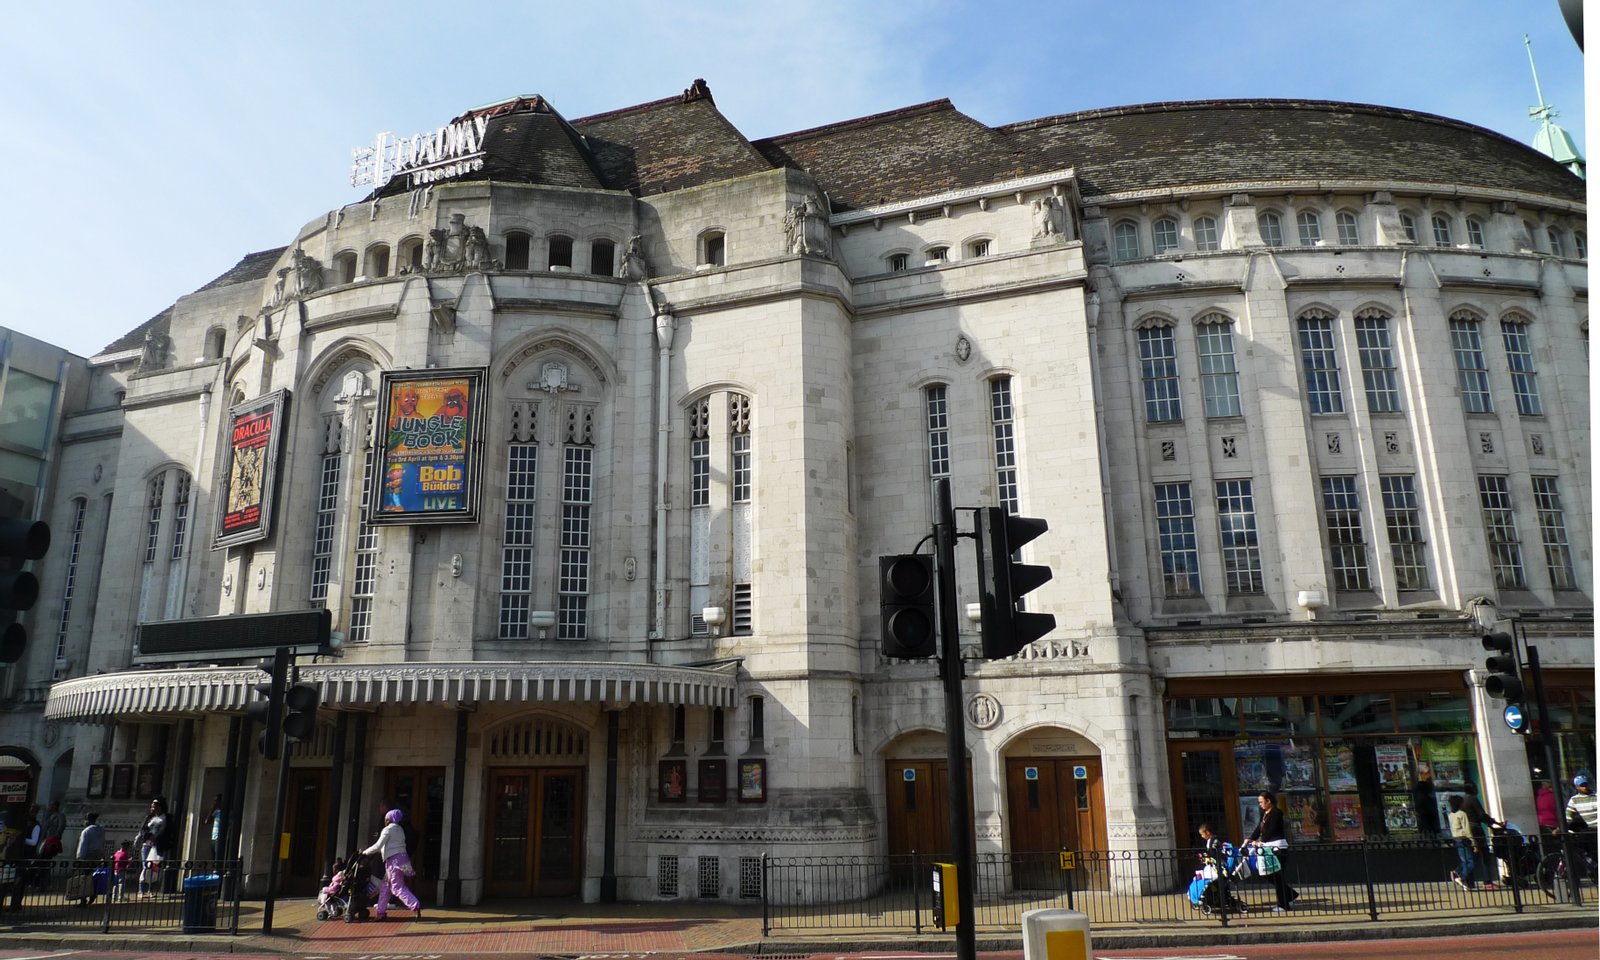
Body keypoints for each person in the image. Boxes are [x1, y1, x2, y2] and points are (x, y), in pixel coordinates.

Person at [363, 809, 421, 921]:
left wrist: (364, 852)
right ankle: (380, 912)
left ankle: (415, 905)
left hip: (393, 861)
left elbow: (378, 846)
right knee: (386, 886)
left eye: (386, 818)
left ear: (389, 819)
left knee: (397, 887)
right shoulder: (400, 829)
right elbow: (392, 845)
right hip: (402, 859)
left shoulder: (387, 829)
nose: (385, 820)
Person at [1245, 790, 1298, 912]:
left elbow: (1272, 830)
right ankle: (1290, 894)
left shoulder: (1276, 813)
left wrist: (1260, 842)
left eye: (1261, 802)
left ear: (1268, 801)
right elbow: (1259, 828)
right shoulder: (1266, 814)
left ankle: (1284, 904)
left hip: (1278, 848)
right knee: (1267, 874)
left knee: (1277, 875)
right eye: (1259, 802)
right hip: (1269, 848)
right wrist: (1250, 839)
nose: (1260, 804)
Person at [72, 812, 104, 906]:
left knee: (84, 878)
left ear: (88, 820)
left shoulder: (86, 831)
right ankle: (93, 894)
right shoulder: (100, 830)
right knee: (93, 876)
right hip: (97, 856)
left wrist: (79, 858)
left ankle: (83, 899)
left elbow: (83, 845)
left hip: (88, 856)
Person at [138, 798, 168, 898]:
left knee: (154, 868)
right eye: (152, 806)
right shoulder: (149, 818)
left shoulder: (163, 818)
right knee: (146, 867)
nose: (153, 808)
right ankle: (142, 890)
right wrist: (147, 835)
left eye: (155, 806)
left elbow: (164, 831)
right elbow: (143, 830)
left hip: (156, 846)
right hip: (147, 845)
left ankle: (151, 890)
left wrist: (157, 838)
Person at [1447, 795, 1478, 890]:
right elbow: (1467, 829)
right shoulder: (1462, 814)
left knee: (1465, 860)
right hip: (1464, 838)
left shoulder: (1451, 815)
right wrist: (1474, 842)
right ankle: (1461, 876)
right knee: (1471, 861)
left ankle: (1457, 872)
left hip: (1456, 838)